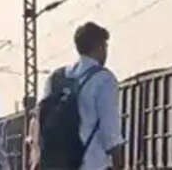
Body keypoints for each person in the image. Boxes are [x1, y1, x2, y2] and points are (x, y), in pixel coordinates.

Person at [41, 22, 124, 170]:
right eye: (105, 46)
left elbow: (40, 120)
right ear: (99, 46)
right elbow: (110, 131)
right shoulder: (103, 79)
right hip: (91, 164)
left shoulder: (55, 78)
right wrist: (119, 162)